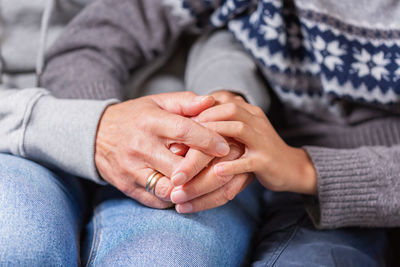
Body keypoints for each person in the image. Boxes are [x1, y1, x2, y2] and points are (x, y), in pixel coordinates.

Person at [41, 0, 399, 265]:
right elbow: (88, 45)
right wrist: (121, 136)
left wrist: (303, 167)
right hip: (252, 163)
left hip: (364, 192)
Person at [0, 1, 265, 266]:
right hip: (19, 133)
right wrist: (94, 130)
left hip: (182, 128)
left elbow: (232, 19)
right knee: (16, 247)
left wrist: (225, 104)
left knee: (166, 258)